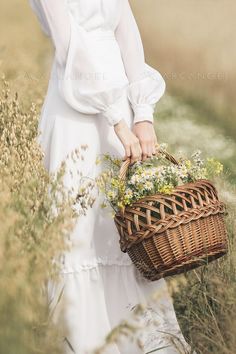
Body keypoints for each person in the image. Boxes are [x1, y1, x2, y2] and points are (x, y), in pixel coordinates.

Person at [28, 1, 192, 353]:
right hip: (78, 104)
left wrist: (142, 114)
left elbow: (127, 34)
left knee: (122, 228)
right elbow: (69, 44)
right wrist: (116, 118)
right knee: (78, 229)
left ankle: (142, 341)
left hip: (122, 105)